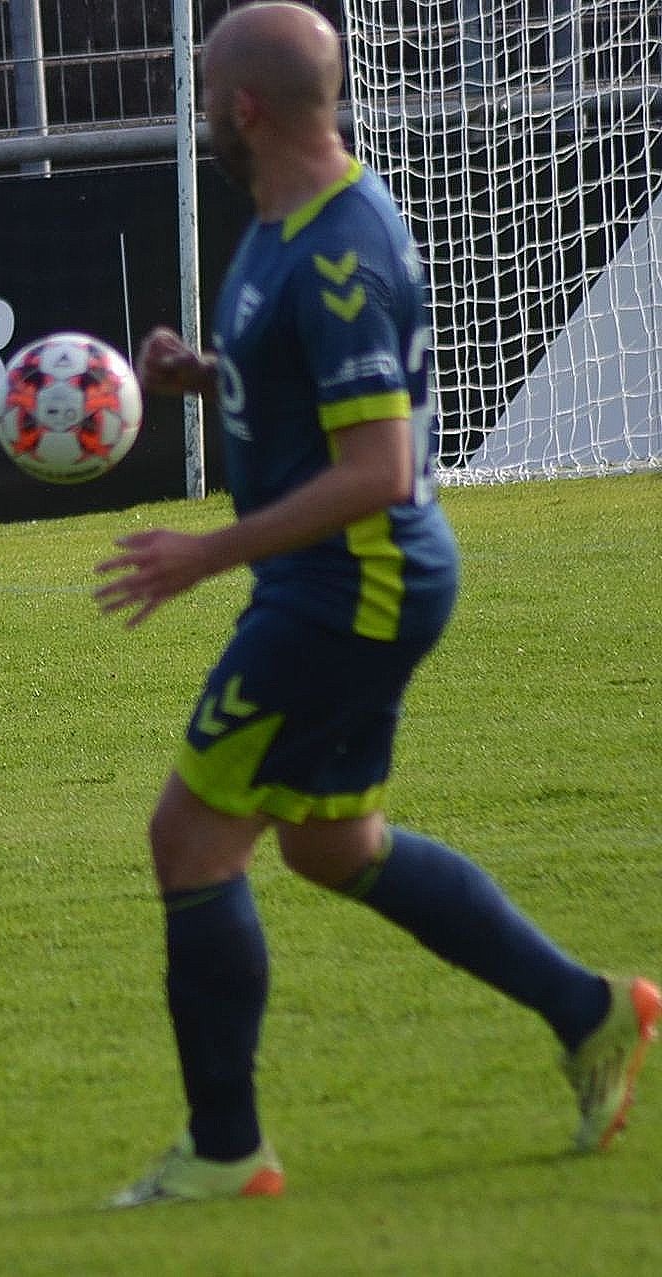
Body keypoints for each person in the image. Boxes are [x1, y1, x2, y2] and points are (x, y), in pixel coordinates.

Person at [92, 1, 656, 1206]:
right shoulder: (281, 220)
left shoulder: (343, 248)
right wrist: (205, 377)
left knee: (188, 837)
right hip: (337, 580)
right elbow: (302, 396)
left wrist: (206, 551)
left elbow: (376, 470)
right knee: (328, 841)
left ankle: (225, 1149)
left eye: (205, 90)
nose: (201, 108)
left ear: (241, 107)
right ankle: (592, 1007)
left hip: (350, 584)